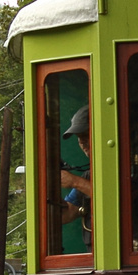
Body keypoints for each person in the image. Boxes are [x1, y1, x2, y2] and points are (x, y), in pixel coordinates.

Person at [58, 105, 92, 251]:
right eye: (79, 138)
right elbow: (66, 215)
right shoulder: (89, 175)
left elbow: (115, 201)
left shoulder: (127, 168)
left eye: (85, 135)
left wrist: (74, 181)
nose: (82, 143)